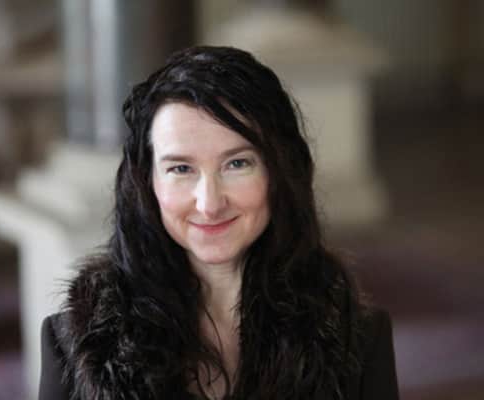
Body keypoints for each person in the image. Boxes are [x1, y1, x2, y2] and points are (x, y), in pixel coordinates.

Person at [38, 45, 399, 400]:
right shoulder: (72, 344)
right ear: (147, 184)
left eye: (237, 164)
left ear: (279, 172)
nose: (209, 203)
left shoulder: (360, 342)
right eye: (181, 168)